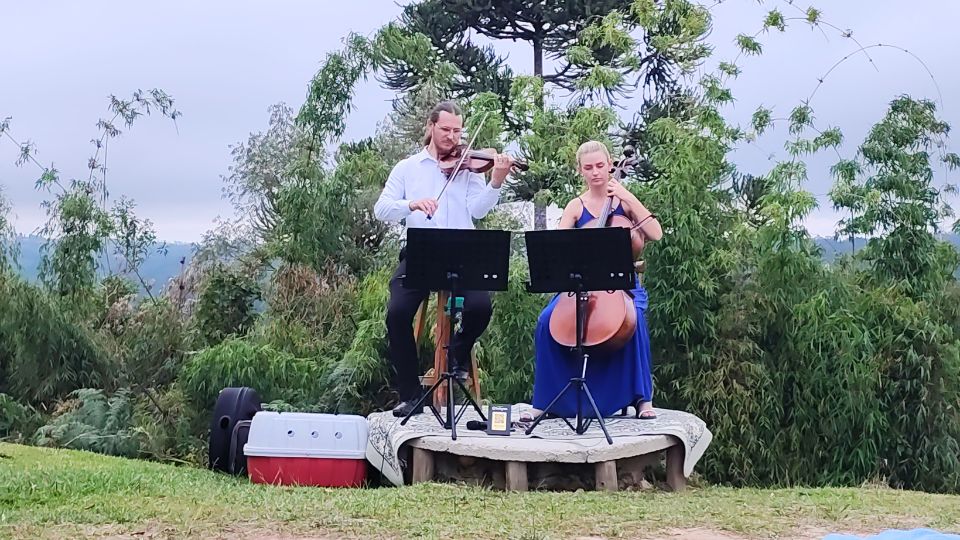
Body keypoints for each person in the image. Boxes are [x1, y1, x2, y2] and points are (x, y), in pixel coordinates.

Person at [373, 100, 514, 417]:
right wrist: (411, 204)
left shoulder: (468, 167)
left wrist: (496, 181)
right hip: (421, 249)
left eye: (457, 131)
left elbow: (478, 210)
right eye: (446, 130)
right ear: (431, 127)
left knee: (480, 307)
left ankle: (456, 355)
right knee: (396, 314)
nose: (453, 137)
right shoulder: (408, 168)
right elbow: (381, 209)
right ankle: (411, 395)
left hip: (463, 250)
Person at [530, 140, 663, 420]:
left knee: (634, 318)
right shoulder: (576, 207)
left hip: (622, 286)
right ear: (580, 170)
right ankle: (545, 400)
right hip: (580, 287)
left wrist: (627, 197)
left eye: (601, 166)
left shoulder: (624, 203)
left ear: (611, 165)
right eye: (588, 167)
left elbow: (655, 232)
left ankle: (642, 399)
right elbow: (556, 250)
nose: (596, 172)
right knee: (545, 322)